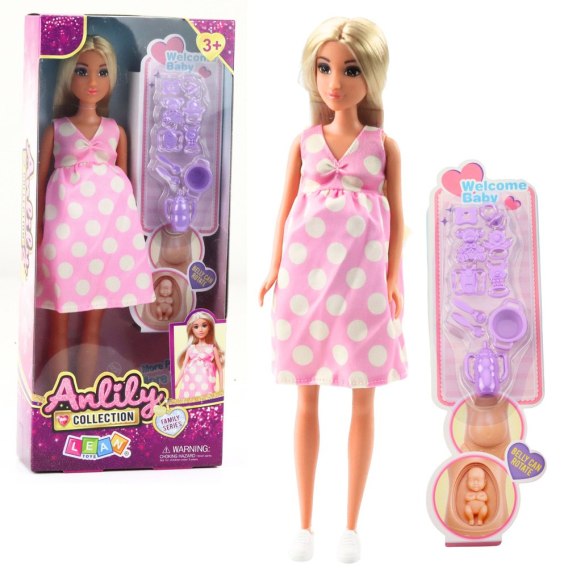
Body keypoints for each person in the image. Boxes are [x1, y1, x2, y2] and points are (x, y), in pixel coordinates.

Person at [259, 17, 407, 563]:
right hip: (305, 283)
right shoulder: (304, 143)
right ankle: (303, 524)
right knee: (307, 397)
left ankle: (350, 525)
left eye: (349, 70)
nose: (334, 82)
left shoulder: (383, 146)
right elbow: (284, 210)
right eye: (324, 68)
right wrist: (273, 268)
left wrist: (392, 278)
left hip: (364, 287)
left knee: (363, 401)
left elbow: (397, 219)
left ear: (372, 75)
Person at [176, 311, 224, 398]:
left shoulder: (212, 348)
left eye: (204, 325)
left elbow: (220, 369)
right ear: (192, 330)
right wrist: (175, 383)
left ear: (209, 328)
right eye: (196, 327)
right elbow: (183, 368)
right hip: (189, 383)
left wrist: (221, 389)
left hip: (206, 384)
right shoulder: (191, 348)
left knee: (206, 400)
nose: (200, 330)